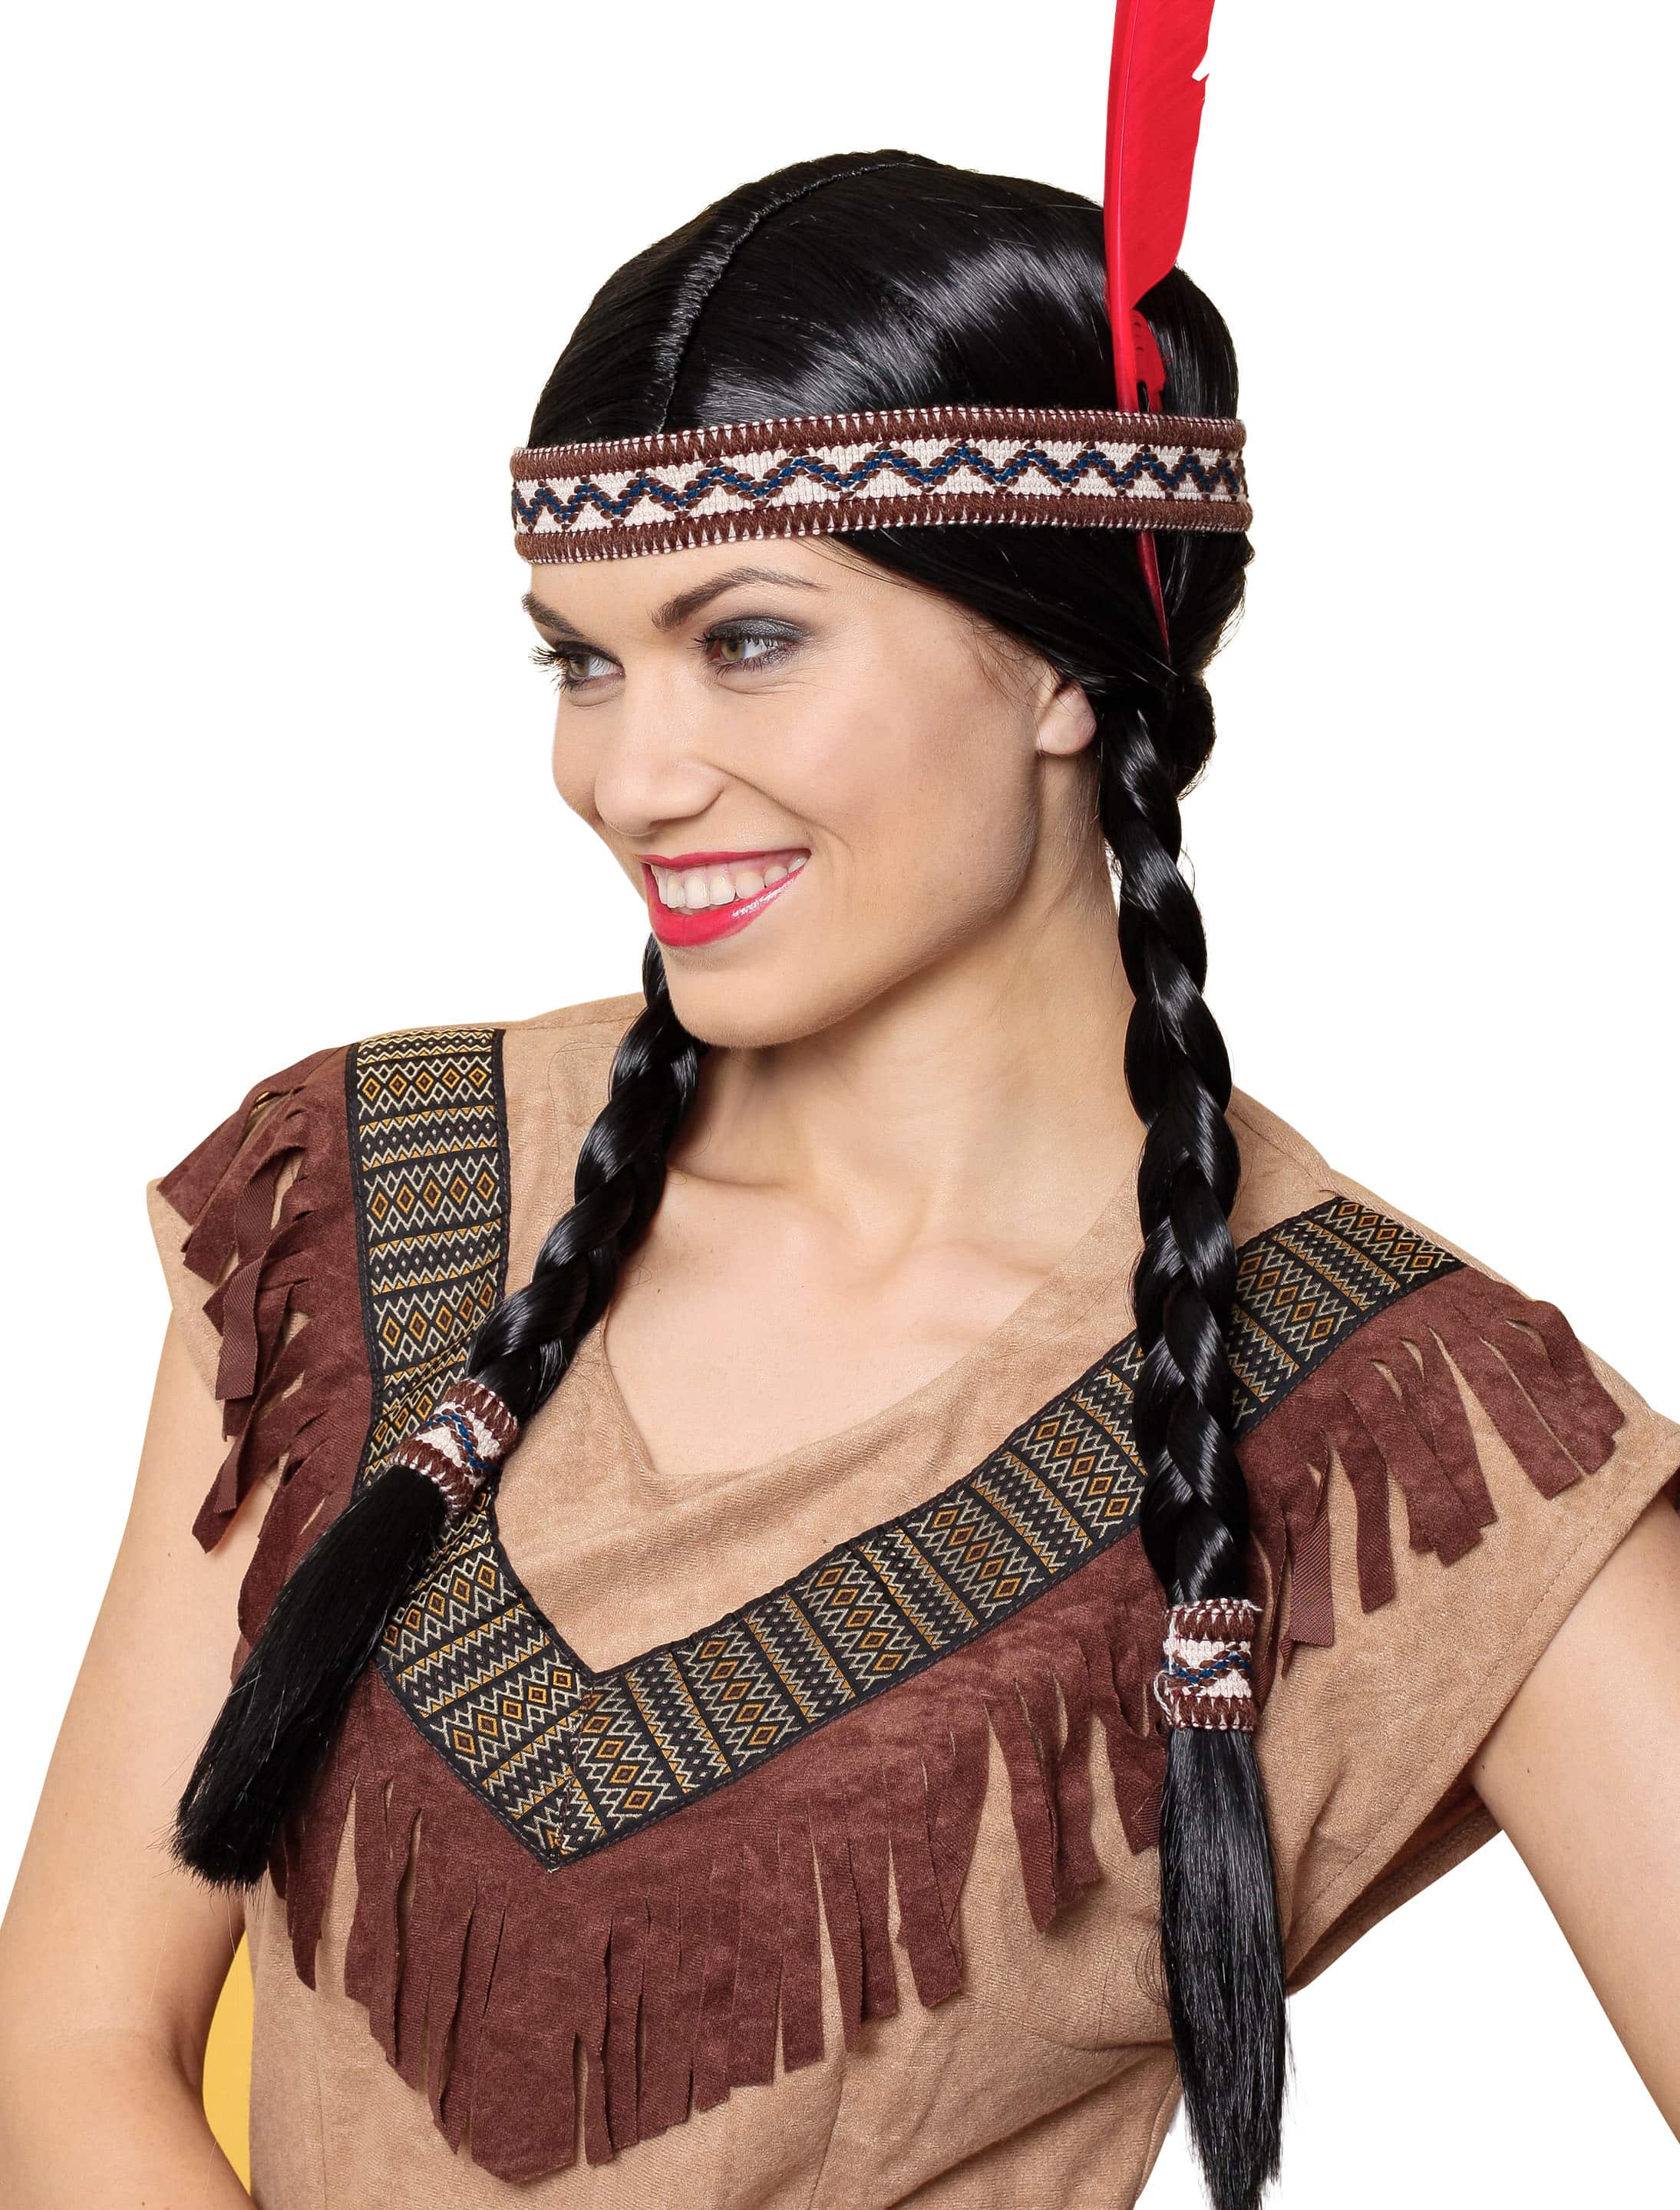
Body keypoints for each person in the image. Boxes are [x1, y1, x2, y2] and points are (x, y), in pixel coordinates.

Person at [2, 149, 1677, 2210]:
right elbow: (73, 2050)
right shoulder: (359, 1202)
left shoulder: (1407, 1435)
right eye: (583, 662)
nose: (626, 776)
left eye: (749, 639)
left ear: (1066, 668)